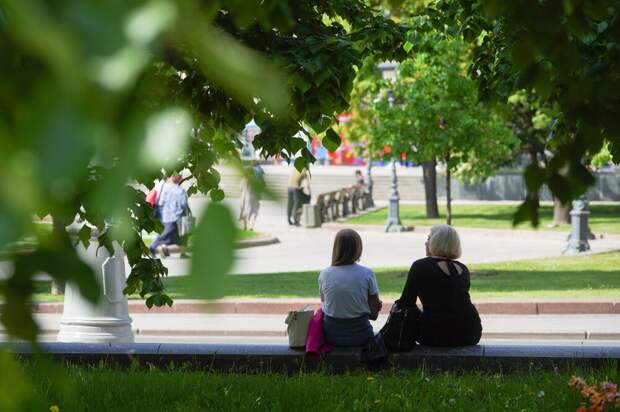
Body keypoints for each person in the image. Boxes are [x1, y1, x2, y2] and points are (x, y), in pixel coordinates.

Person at [396, 224, 482, 346]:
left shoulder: (420, 266)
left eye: (428, 238)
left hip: (435, 333)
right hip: (471, 331)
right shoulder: (463, 269)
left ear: (436, 242)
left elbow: (406, 302)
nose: (425, 243)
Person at [319, 229, 383, 347]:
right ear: (358, 248)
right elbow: (373, 315)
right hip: (360, 336)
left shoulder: (324, 274)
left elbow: (326, 305)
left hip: (331, 335)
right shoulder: (367, 273)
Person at [149, 173, 188, 257]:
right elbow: (183, 204)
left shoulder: (161, 185)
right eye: (179, 175)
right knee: (169, 233)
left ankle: (164, 248)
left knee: (174, 234)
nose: (181, 177)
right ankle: (153, 247)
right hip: (173, 215)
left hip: (165, 213)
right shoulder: (178, 190)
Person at [239, 162, 265, 231]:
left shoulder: (243, 179)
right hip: (254, 197)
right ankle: (251, 226)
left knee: (245, 211)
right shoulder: (255, 180)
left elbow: (240, 188)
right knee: (254, 212)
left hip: (244, 197)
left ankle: (244, 226)